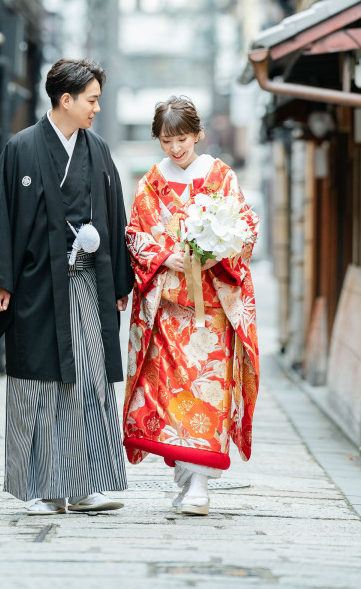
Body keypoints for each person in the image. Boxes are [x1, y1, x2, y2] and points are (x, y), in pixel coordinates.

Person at [0, 57, 133, 515]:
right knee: (41, 382)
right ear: (66, 100)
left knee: (89, 379)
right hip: (36, 286)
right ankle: (43, 489)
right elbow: (1, 217)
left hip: (86, 283)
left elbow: (115, 216)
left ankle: (86, 486)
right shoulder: (22, 148)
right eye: (92, 100)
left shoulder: (98, 150)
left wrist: (119, 282)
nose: (97, 108)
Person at [123, 96, 259, 516]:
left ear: (198, 134)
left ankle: (199, 484)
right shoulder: (150, 182)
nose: (175, 148)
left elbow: (245, 229)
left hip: (212, 310)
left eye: (182, 139)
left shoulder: (221, 176)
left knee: (208, 391)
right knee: (170, 396)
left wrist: (217, 251)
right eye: (167, 141)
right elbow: (135, 234)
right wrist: (166, 257)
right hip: (168, 310)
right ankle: (186, 479)